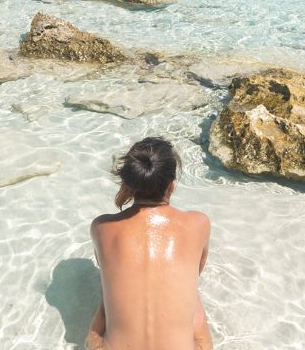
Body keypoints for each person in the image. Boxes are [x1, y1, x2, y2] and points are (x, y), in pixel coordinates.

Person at [86, 137, 212, 350]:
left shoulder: (101, 227)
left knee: (99, 324)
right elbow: (196, 273)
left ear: (130, 183)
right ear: (171, 186)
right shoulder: (199, 223)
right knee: (195, 305)